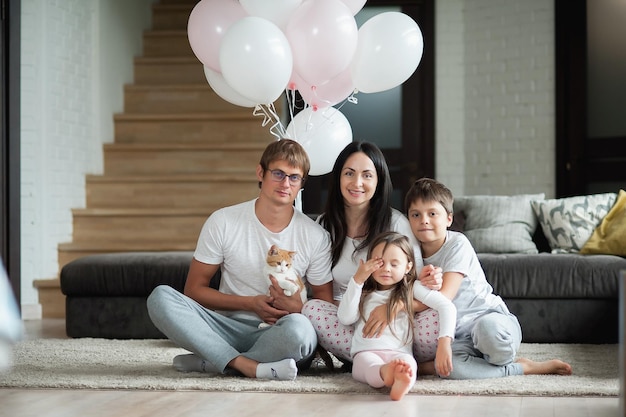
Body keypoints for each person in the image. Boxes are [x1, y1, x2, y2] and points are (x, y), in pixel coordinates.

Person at [147, 139, 334, 381]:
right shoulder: (223, 221)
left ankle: (216, 361)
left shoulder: (316, 235)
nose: (285, 183)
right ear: (261, 173)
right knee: (160, 298)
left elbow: (325, 304)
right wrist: (250, 303)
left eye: (294, 177)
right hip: (226, 327)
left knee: (301, 334)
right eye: (278, 173)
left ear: (301, 184)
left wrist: (297, 308)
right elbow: (193, 290)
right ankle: (244, 364)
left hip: (279, 331)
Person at [404, 178, 573, 379]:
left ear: (449, 219)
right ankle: (521, 368)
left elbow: (444, 297)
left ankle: (507, 363)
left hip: (490, 321)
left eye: (432, 214)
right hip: (459, 338)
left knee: (488, 333)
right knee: (452, 368)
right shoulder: (410, 252)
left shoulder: (458, 244)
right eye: (416, 215)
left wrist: (400, 305)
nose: (424, 220)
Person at [301, 141, 441, 363]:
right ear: (338, 178)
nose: (357, 183)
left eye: (367, 175)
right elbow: (323, 295)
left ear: (378, 181)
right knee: (311, 309)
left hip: (396, 323)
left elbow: (415, 282)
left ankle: (382, 358)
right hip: (352, 325)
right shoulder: (324, 225)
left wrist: (389, 308)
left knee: (437, 318)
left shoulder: (397, 223)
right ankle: (374, 358)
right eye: (349, 173)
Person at [337, 231, 456, 400]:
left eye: (394, 264)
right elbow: (345, 318)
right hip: (366, 351)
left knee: (409, 365)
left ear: (408, 267)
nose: (386, 269)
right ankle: (386, 372)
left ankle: (401, 380)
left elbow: (446, 306)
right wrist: (357, 280)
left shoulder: (413, 288)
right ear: (370, 261)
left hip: (399, 351)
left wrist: (444, 344)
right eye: (380, 263)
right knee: (367, 367)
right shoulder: (363, 291)